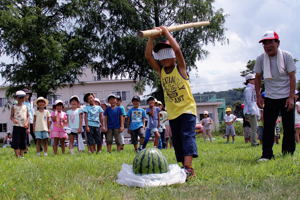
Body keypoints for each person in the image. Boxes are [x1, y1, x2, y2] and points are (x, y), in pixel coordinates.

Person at [145, 26, 198, 178]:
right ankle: (183, 167)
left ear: (173, 57)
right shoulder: (161, 72)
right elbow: (148, 56)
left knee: (187, 136)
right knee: (177, 140)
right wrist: (151, 37)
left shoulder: (180, 68)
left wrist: (166, 32)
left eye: (168, 54)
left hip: (187, 109)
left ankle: (188, 167)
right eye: (162, 56)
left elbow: (178, 50)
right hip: (173, 113)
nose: (165, 58)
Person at [254, 31, 296, 161]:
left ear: (277, 43)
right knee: (268, 127)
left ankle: (288, 153)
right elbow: (257, 77)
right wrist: (259, 96)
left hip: (286, 96)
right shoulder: (261, 58)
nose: (268, 46)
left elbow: (292, 77)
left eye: (271, 42)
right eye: (265, 43)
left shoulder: (286, 56)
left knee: (288, 127)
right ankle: (267, 154)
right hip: (270, 97)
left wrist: (291, 97)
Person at [10, 90, 29, 158]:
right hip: (16, 126)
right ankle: (17, 155)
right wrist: (13, 119)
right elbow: (11, 116)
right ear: (16, 98)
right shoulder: (14, 106)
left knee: (23, 141)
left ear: (24, 98)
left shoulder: (26, 107)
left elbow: (28, 116)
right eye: (19, 97)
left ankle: (22, 155)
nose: (21, 99)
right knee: (16, 141)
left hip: (23, 126)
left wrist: (27, 123)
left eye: (22, 97)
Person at [243, 74, 260, 146]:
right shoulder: (248, 89)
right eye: (253, 79)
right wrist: (252, 111)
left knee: (255, 127)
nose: (255, 80)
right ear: (249, 80)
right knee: (254, 128)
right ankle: (254, 142)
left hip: (254, 110)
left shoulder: (253, 89)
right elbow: (249, 101)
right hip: (250, 111)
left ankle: (254, 142)